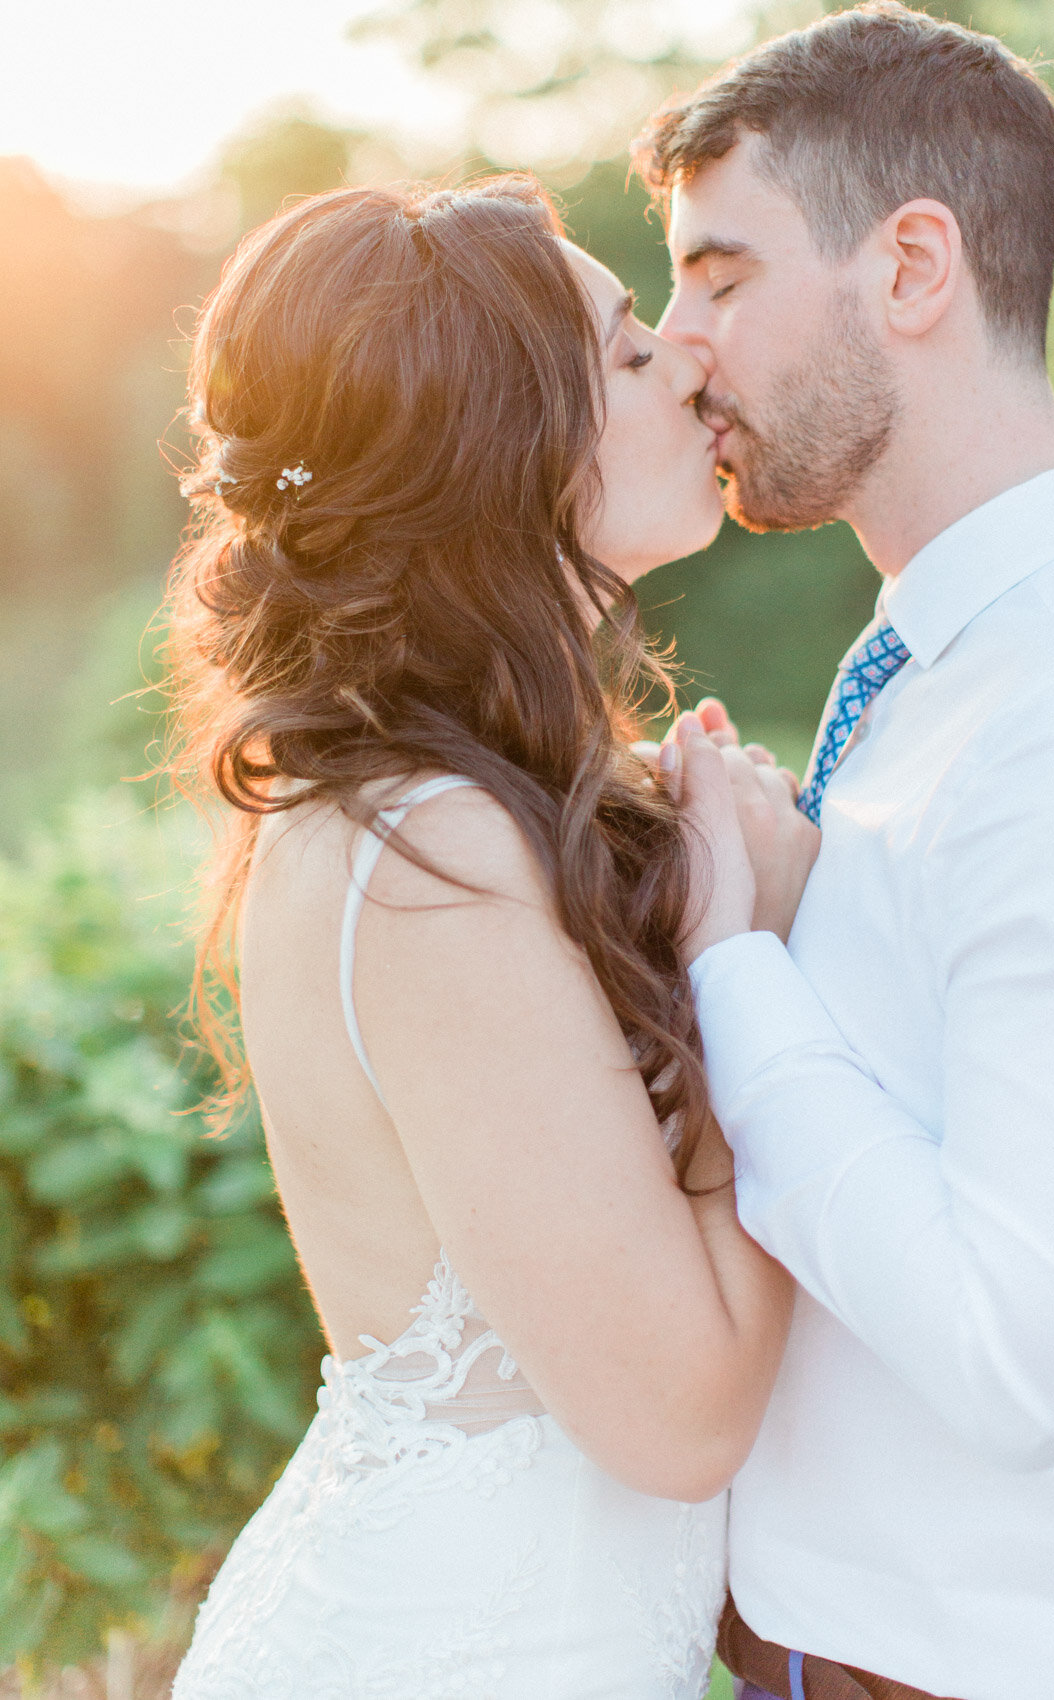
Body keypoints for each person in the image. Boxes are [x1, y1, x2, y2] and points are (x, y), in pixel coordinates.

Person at [635, 5, 1054, 1698]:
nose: (682, 343)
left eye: (720, 272)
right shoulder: (927, 668)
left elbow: (1030, 1356)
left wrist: (732, 963)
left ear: (913, 266)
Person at [164, 176, 803, 1700]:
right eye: (635, 350)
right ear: (508, 450)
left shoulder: (442, 807)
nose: (692, 363)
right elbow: (685, 1415)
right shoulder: (420, 851)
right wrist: (750, 961)